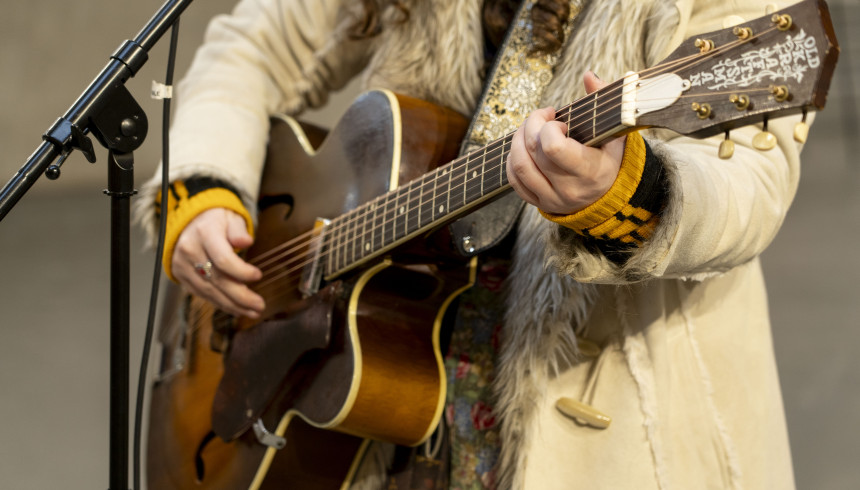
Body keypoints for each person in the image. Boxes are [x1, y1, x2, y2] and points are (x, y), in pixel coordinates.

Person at [137, 0, 806, 488]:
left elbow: (748, 185)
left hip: (610, 419)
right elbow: (250, 48)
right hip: (393, 421)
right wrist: (204, 188)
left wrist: (623, 188)